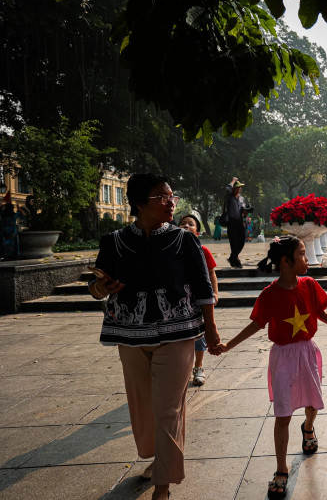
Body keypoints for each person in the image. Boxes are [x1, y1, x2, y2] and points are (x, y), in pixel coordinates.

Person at [88, 174, 220, 500]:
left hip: (178, 334)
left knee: (168, 409)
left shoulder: (183, 240)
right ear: (139, 203)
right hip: (129, 334)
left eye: (172, 196)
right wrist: (102, 288)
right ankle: (157, 456)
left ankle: (162, 486)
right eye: (162, 197)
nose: (171, 202)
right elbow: (96, 285)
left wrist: (212, 329)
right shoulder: (114, 241)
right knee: (142, 408)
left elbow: (203, 288)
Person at [215, 236, 327, 499]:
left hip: (307, 351)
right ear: (285, 261)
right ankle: (281, 469)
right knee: (282, 413)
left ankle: (308, 427)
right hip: (282, 358)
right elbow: (256, 325)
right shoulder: (269, 295)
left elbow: (320, 312)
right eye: (302, 255)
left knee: (313, 402)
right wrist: (229, 345)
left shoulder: (310, 285)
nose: (306, 259)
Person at [178, 214, 219, 386]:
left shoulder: (204, 251)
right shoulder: (171, 249)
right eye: (182, 223)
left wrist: (215, 293)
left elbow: (211, 273)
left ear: (198, 231)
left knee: (200, 335)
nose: (186, 226)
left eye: (191, 224)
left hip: (199, 299)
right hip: (180, 300)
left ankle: (199, 366)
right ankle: (182, 369)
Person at [224, 177, 251, 268]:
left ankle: (232, 257)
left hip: (240, 222)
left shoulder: (242, 198)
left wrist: (245, 212)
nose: (239, 189)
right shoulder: (229, 198)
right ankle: (236, 260)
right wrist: (233, 181)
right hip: (231, 223)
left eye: (240, 187)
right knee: (234, 243)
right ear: (233, 188)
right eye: (237, 187)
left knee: (242, 241)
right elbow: (227, 189)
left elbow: (242, 210)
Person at [1, 192, 19, 260]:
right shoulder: (14, 216)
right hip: (12, 231)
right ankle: (12, 256)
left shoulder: (3, 215)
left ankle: (5, 255)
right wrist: (19, 208)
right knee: (12, 244)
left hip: (4, 230)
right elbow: (24, 215)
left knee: (4, 243)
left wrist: (4, 205)